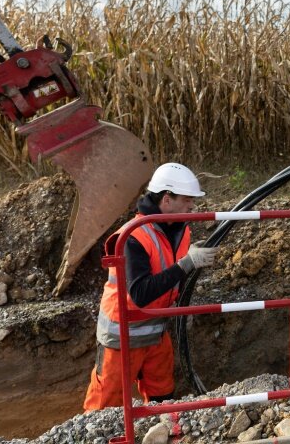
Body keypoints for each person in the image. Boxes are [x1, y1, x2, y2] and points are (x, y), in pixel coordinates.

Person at [83, 163, 219, 411]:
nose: (192, 206)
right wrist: (187, 263)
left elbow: (171, 275)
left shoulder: (180, 231)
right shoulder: (134, 236)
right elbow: (141, 294)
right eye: (188, 199)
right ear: (167, 199)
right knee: (105, 408)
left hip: (156, 331)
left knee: (162, 397)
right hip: (122, 335)